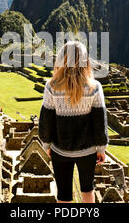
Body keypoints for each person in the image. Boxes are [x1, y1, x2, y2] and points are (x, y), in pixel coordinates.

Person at [38, 40, 109, 203]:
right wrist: (101, 149)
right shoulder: (95, 87)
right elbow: (100, 122)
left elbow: (46, 120)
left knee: (63, 194)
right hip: (88, 151)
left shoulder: (51, 87)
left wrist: (46, 145)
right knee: (87, 189)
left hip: (60, 150)